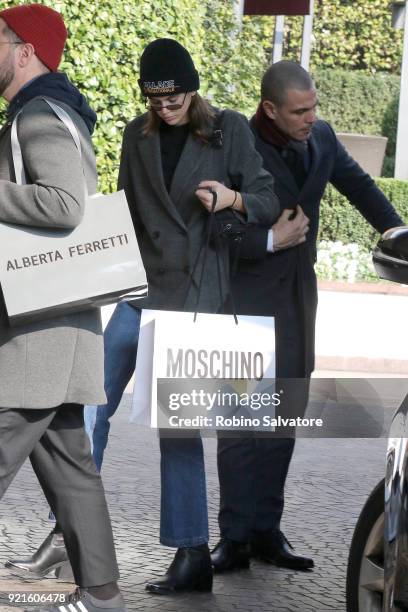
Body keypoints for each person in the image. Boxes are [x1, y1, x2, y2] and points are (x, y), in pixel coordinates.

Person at [211, 60, 404, 573]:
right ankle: (232, 537)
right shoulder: (236, 142)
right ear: (269, 108)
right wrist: (268, 240)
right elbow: (216, 226)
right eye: (300, 110)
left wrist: (397, 231)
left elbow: (359, 186)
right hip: (243, 301)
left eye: (314, 106)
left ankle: (266, 532)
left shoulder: (320, 137)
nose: (311, 117)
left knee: (283, 419)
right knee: (239, 421)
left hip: (298, 300)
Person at [121, 38, 278, 594]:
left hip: (192, 295)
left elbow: (266, 198)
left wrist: (231, 199)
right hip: (138, 289)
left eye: (175, 99)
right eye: (155, 101)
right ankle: (64, 532)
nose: (165, 110)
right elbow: (126, 213)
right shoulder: (134, 137)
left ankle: (191, 556)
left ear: (192, 89)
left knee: (177, 428)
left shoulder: (227, 129)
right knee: (84, 399)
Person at [0, 5, 126, 611]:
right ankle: (102, 594)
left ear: (25, 50)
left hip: (33, 339)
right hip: (56, 329)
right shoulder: (54, 111)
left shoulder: (41, 114)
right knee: (72, 467)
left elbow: (64, 204)